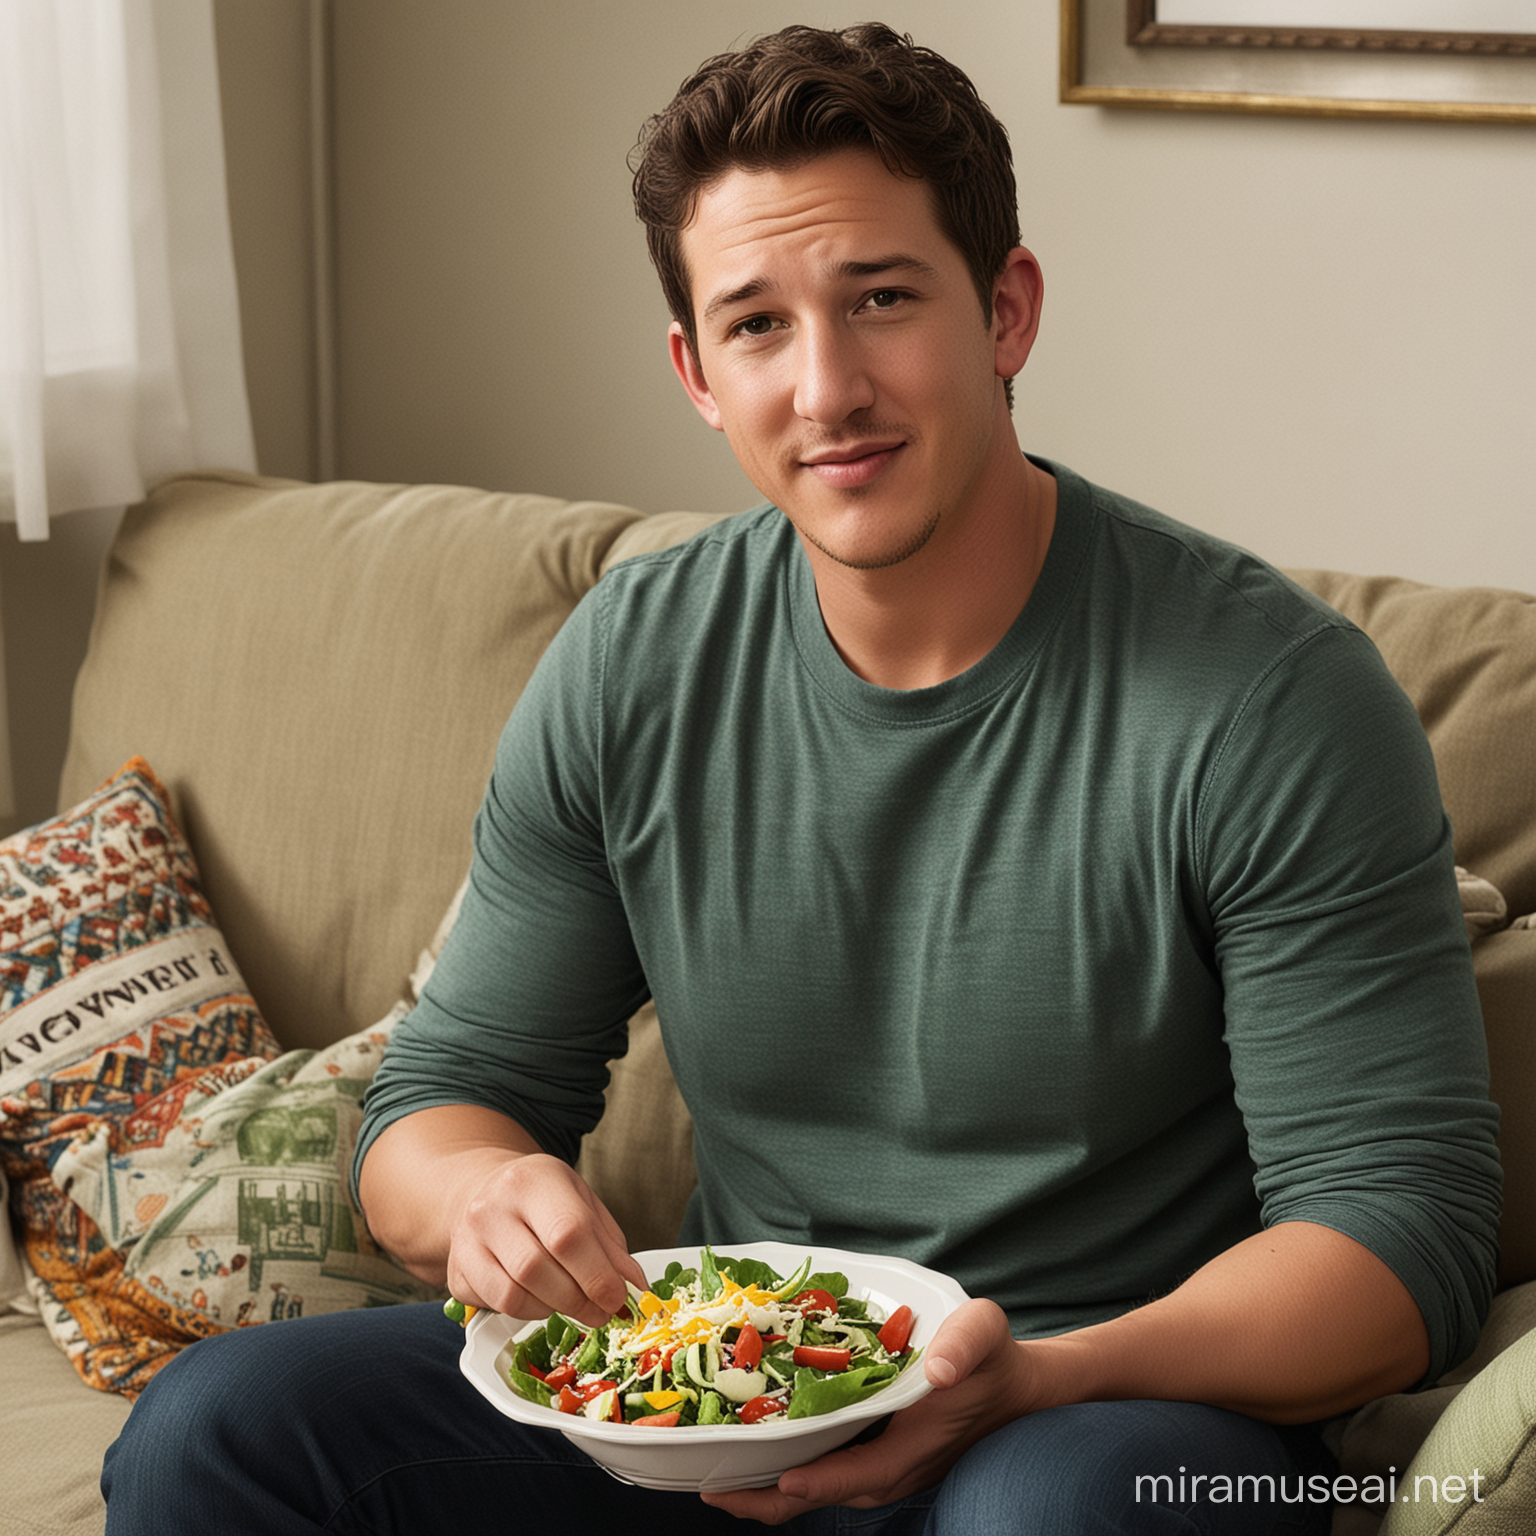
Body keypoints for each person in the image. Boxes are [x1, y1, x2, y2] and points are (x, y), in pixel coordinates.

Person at [102, 23, 1499, 1534]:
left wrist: (1038, 1377)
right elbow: (448, 1102)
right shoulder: (634, 662)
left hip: (1123, 1421)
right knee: (213, 1432)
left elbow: (1395, 1242)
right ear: (698, 373)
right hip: (738, 1402)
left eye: (883, 299)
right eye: (758, 325)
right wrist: (481, 1200)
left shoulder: (1272, 697)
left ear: (1006, 312)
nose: (828, 387)